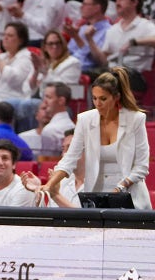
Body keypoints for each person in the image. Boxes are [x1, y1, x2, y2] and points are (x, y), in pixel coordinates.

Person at [40, 67, 152, 210]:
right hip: (95, 197)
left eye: (103, 99)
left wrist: (119, 188)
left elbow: (142, 166)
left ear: (116, 97)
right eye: (94, 98)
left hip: (130, 195)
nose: (98, 103)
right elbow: (69, 159)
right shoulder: (85, 119)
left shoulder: (136, 119)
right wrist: (49, 185)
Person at [21, 128, 85, 208]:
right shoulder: (61, 181)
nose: (64, 154)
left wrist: (55, 195)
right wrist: (40, 193)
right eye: (63, 149)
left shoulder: (99, 183)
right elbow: (50, 216)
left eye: (70, 148)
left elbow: (88, 218)